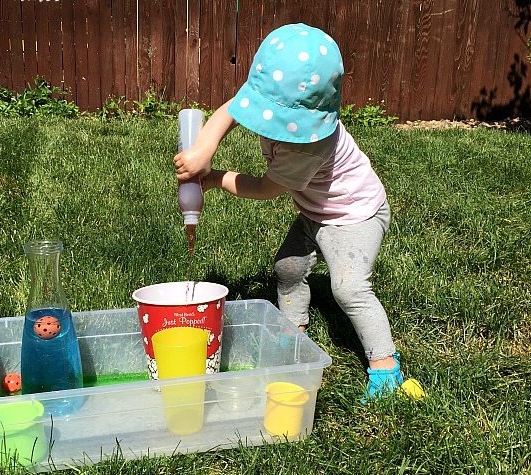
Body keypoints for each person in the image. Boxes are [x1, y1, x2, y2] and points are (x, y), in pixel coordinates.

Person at [174, 23, 423, 402]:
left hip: (354, 215)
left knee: (349, 289)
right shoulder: (274, 99)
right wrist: (204, 149)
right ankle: (294, 331)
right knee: (288, 268)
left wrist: (215, 178)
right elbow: (231, 109)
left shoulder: (308, 147)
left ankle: (385, 366)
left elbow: (264, 189)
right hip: (314, 209)